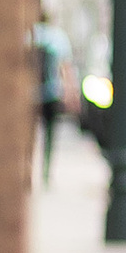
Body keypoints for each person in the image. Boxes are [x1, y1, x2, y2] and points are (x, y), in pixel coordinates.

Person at [28, 12, 71, 180]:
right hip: (52, 92)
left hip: (32, 93)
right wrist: (69, 92)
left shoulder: (31, 35)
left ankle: (29, 166)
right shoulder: (58, 38)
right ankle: (46, 169)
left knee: (30, 134)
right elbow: (65, 68)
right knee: (50, 134)